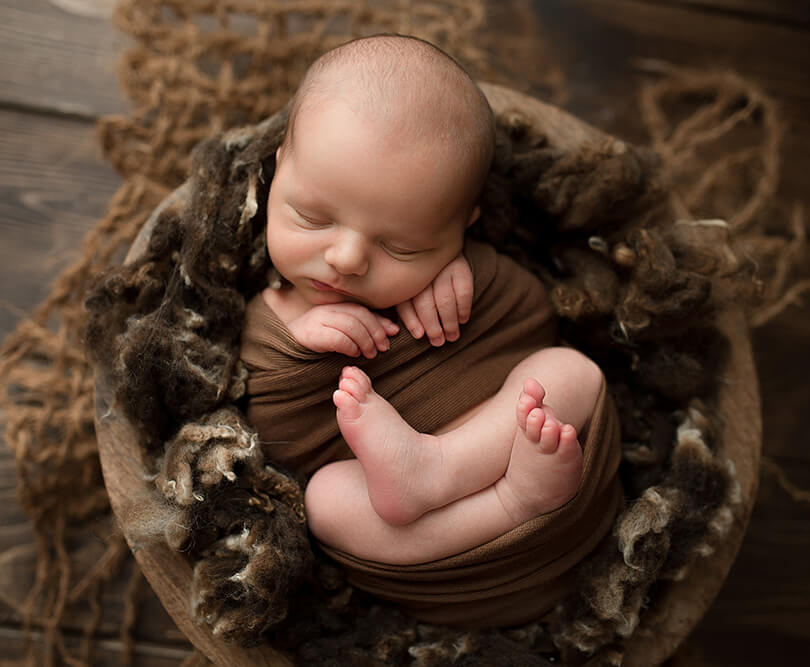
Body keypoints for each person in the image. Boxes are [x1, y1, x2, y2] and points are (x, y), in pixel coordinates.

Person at [241, 34, 606, 567]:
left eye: (401, 246)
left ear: (462, 229)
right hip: (442, 550)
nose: (346, 259)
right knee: (323, 503)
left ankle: (443, 467)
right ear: (276, 171)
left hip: (542, 472)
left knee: (573, 371)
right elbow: (262, 421)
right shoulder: (263, 312)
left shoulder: (456, 270)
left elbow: (529, 321)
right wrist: (292, 345)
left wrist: (469, 269)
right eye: (314, 219)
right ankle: (509, 504)